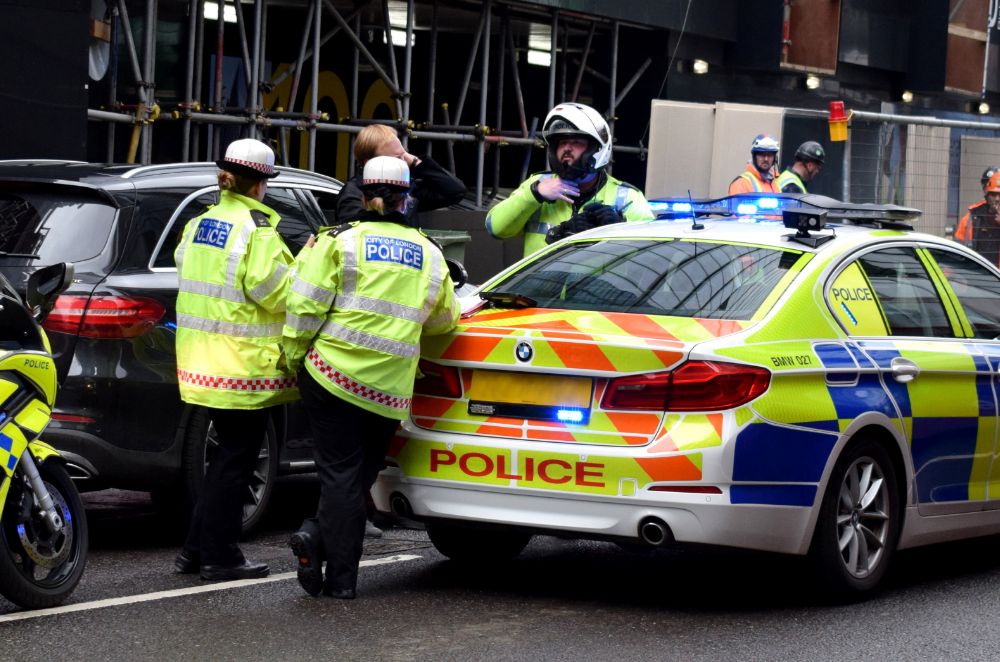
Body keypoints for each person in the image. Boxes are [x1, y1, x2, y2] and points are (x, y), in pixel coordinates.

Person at [283, 155, 460, 599]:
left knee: (340, 476)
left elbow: (304, 306)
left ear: (362, 195)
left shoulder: (337, 242)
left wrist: (293, 357)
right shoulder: (429, 253)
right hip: (388, 391)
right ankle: (319, 544)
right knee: (357, 477)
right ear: (406, 200)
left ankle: (338, 577)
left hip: (331, 376)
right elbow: (444, 321)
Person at [172, 138, 299, 581]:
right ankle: (220, 555)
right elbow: (277, 292)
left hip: (202, 362)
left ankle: (195, 551)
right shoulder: (257, 231)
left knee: (227, 458)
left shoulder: (200, 223)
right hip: (242, 366)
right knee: (235, 463)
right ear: (260, 184)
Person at [485, 101, 652, 257]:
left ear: (597, 148)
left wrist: (622, 230)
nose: (566, 148)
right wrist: (534, 194)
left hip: (599, 289)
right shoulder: (537, 185)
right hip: (540, 289)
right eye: (562, 142)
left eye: (576, 142)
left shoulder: (626, 198)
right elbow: (495, 228)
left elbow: (652, 255)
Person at [335, 123, 465, 227]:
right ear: (370, 163)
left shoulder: (404, 187)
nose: (404, 163)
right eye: (397, 158)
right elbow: (350, 238)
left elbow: (455, 191)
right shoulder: (353, 193)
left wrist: (415, 162)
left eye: (405, 155)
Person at [963, 170, 1000, 266]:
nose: (997, 199)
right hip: (978, 275)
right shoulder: (973, 216)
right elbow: (958, 248)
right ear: (987, 195)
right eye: (993, 194)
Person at [955, 165, 998, 246]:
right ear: (985, 192)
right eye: (993, 193)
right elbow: (958, 251)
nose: (997, 199)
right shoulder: (971, 218)